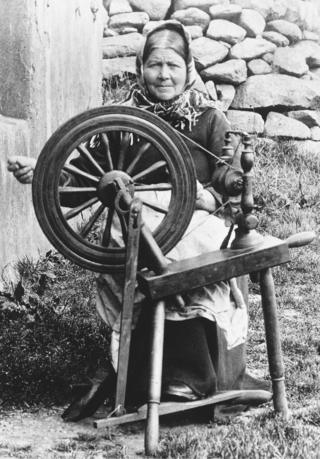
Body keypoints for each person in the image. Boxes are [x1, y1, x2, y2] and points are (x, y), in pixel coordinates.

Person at [8, 21, 269, 417]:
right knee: (152, 262)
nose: (164, 74)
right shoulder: (121, 119)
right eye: (155, 65)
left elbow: (225, 178)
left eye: (173, 65)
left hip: (194, 221)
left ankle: (196, 376)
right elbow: (86, 177)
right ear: (139, 66)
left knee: (196, 260)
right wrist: (45, 170)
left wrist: (209, 194)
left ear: (189, 68)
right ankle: (167, 379)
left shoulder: (208, 118)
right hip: (134, 227)